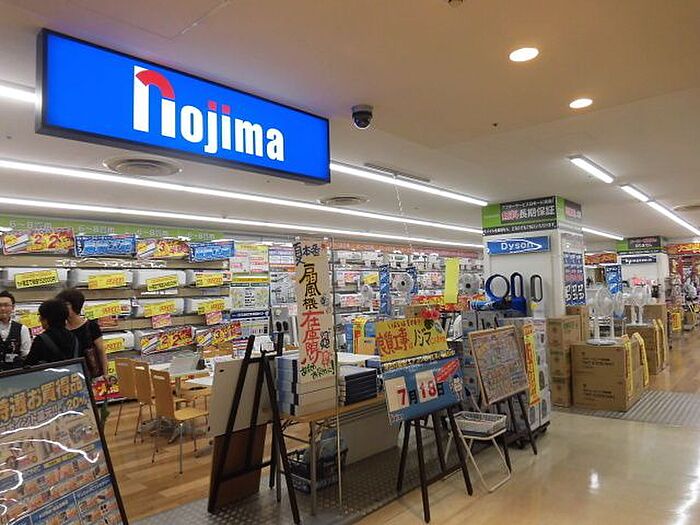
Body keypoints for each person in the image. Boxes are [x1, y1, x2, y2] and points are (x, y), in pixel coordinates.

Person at [56, 288, 108, 378]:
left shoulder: (91, 326)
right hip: (70, 376)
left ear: (74, 305)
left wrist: (105, 374)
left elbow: (101, 351)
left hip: (91, 375)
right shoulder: (60, 329)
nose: (61, 308)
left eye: (65, 304)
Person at [24, 299, 79, 366]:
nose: (39, 319)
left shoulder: (41, 340)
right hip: (72, 372)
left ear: (47, 319)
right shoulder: (73, 337)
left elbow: (29, 364)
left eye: (41, 316)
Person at [0, 291, 31, 370]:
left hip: (14, 372)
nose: (2, 308)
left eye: (6, 305)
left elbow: (25, 354)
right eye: (0, 305)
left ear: (13, 307)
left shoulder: (22, 329)